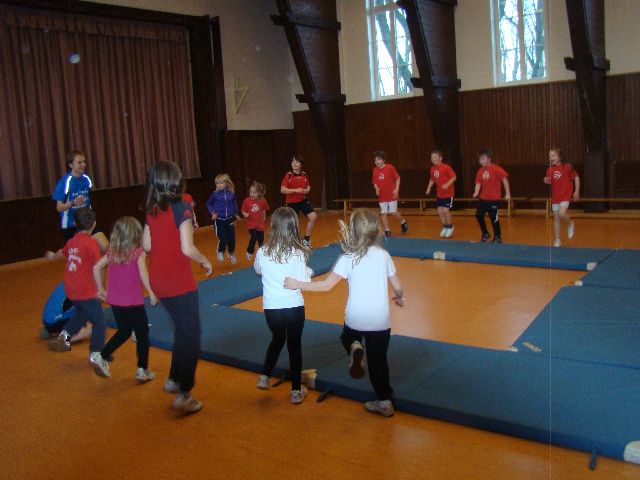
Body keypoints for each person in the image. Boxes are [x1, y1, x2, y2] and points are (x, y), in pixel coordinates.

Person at [284, 209, 404, 417]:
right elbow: (398, 286)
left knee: (347, 337)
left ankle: (354, 346)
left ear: (353, 231)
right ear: (375, 231)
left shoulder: (348, 258)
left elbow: (326, 285)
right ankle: (385, 402)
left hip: (356, 318)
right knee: (378, 362)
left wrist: (297, 284)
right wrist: (400, 297)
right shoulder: (384, 256)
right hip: (380, 320)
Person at [143, 161, 213, 415]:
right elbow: (187, 248)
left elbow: (147, 245)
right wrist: (204, 260)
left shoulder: (152, 209)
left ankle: (174, 378)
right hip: (178, 282)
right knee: (191, 336)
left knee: (182, 331)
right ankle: (184, 392)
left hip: (158, 281)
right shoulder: (181, 207)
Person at [254, 207, 312, 404]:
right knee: (294, 346)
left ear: (273, 226)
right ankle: (295, 391)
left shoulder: (263, 251)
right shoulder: (298, 253)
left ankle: (264, 376)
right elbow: (304, 281)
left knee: (278, 337)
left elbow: (258, 271)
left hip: (272, 309)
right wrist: (308, 270)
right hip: (293, 308)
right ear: (294, 227)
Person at [45, 207, 110, 378]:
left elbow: (61, 253)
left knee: (82, 313)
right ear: (94, 224)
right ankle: (96, 354)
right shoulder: (91, 243)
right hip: (85, 290)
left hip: (70, 289)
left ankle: (65, 335)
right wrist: (101, 289)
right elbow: (98, 266)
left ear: (74, 223)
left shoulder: (72, 241)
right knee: (99, 322)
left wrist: (52, 257)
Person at [93, 216, 158, 382]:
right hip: (133, 302)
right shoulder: (138, 253)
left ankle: (102, 355)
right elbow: (143, 274)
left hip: (115, 302)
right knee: (142, 333)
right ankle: (142, 369)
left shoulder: (112, 253)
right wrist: (151, 292)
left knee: (124, 330)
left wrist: (101, 289)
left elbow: (96, 267)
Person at [52, 150, 94, 243]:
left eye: (84, 162)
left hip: (87, 223)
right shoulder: (65, 182)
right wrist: (73, 203)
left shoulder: (86, 179)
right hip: (71, 225)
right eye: (79, 162)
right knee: (77, 249)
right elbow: (59, 207)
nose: (83, 165)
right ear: (71, 165)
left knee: (102, 244)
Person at [472, 149, 511, 243]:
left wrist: (508, 193)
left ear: (489, 159)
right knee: (478, 215)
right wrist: (476, 192)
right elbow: (478, 183)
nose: (481, 161)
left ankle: (497, 236)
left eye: (483, 158)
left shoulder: (496, 169)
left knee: (493, 217)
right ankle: (485, 233)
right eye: (480, 159)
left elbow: (504, 180)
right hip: (483, 198)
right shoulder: (480, 171)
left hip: (493, 199)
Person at [544, 148, 580, 247]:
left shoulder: (567, 167)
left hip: (565, 195)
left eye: (553, 156)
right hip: (556, 197)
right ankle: (557, 240)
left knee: (562, 213)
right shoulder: (549, 169)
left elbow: (576, 177)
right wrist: (545, 180)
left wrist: (576, 191)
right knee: (556, 219)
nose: (551, 158)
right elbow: (550, 180)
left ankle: (570, 223)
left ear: (560, 157)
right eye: (549, 156)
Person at [280, 155, 317, 248]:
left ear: (301, 164)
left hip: (302, 201)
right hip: (291, 202)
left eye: (297, 162)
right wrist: (296, 190)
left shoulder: (304, 174)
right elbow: (282, 190)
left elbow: (308, 187)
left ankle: (306, 240)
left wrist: (306, 190)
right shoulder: (288, 175)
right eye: (293, 162)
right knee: (294, 224)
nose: (294, 163)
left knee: (313, 217)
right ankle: (295, 243)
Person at [372, 151, 408, 237]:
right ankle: (387, 230)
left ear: (384, 160)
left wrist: (396, 189)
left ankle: (403, 221)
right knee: (383, 213)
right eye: (375, 160)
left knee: (393, 212)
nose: (376, 161)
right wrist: (376, 189)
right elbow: (374, 182)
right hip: (382, 196)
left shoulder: (390, 167)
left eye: (378, 159)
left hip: (392, 194)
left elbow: (398, 178)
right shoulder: (375, 170)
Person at [206, 173, 239, 264]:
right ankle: (220, 251)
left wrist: (236, 213)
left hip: (230, 220)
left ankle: (231, 253)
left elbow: (234, 204)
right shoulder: (215, 194)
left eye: (221, 183)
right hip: (219, 221)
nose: (219, 185)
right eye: (217, 183)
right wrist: (213, 212)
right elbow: (209, 204)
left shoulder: (231, 193)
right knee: (224, 239)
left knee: (232, 240)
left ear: (227, 183)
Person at [425, 149, 457, 238]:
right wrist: (429, 188)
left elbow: (454, 177)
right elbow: (432, 179)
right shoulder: (432, 169)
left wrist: (447, 185)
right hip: (439, 194)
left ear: (440, 158)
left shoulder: (446, 167)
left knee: (446, 211)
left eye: (435, 157)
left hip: (448, 194)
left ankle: (450, 226)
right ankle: (445, 226)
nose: (433, 159)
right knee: (440, 211)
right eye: (432, 157)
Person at [241, 181, 270, 261]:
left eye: (254, 192)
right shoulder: (247, 201)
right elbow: (243, 210)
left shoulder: (263, 200)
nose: (252, 194)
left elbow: (264, 209)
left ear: (259, 193)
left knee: (261, 241)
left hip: (260, 225)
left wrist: (264, 217)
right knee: (254, 237)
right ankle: (249, 251)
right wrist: (245, 214)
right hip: (251, 225)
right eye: (251, 192)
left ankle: (261, 255)